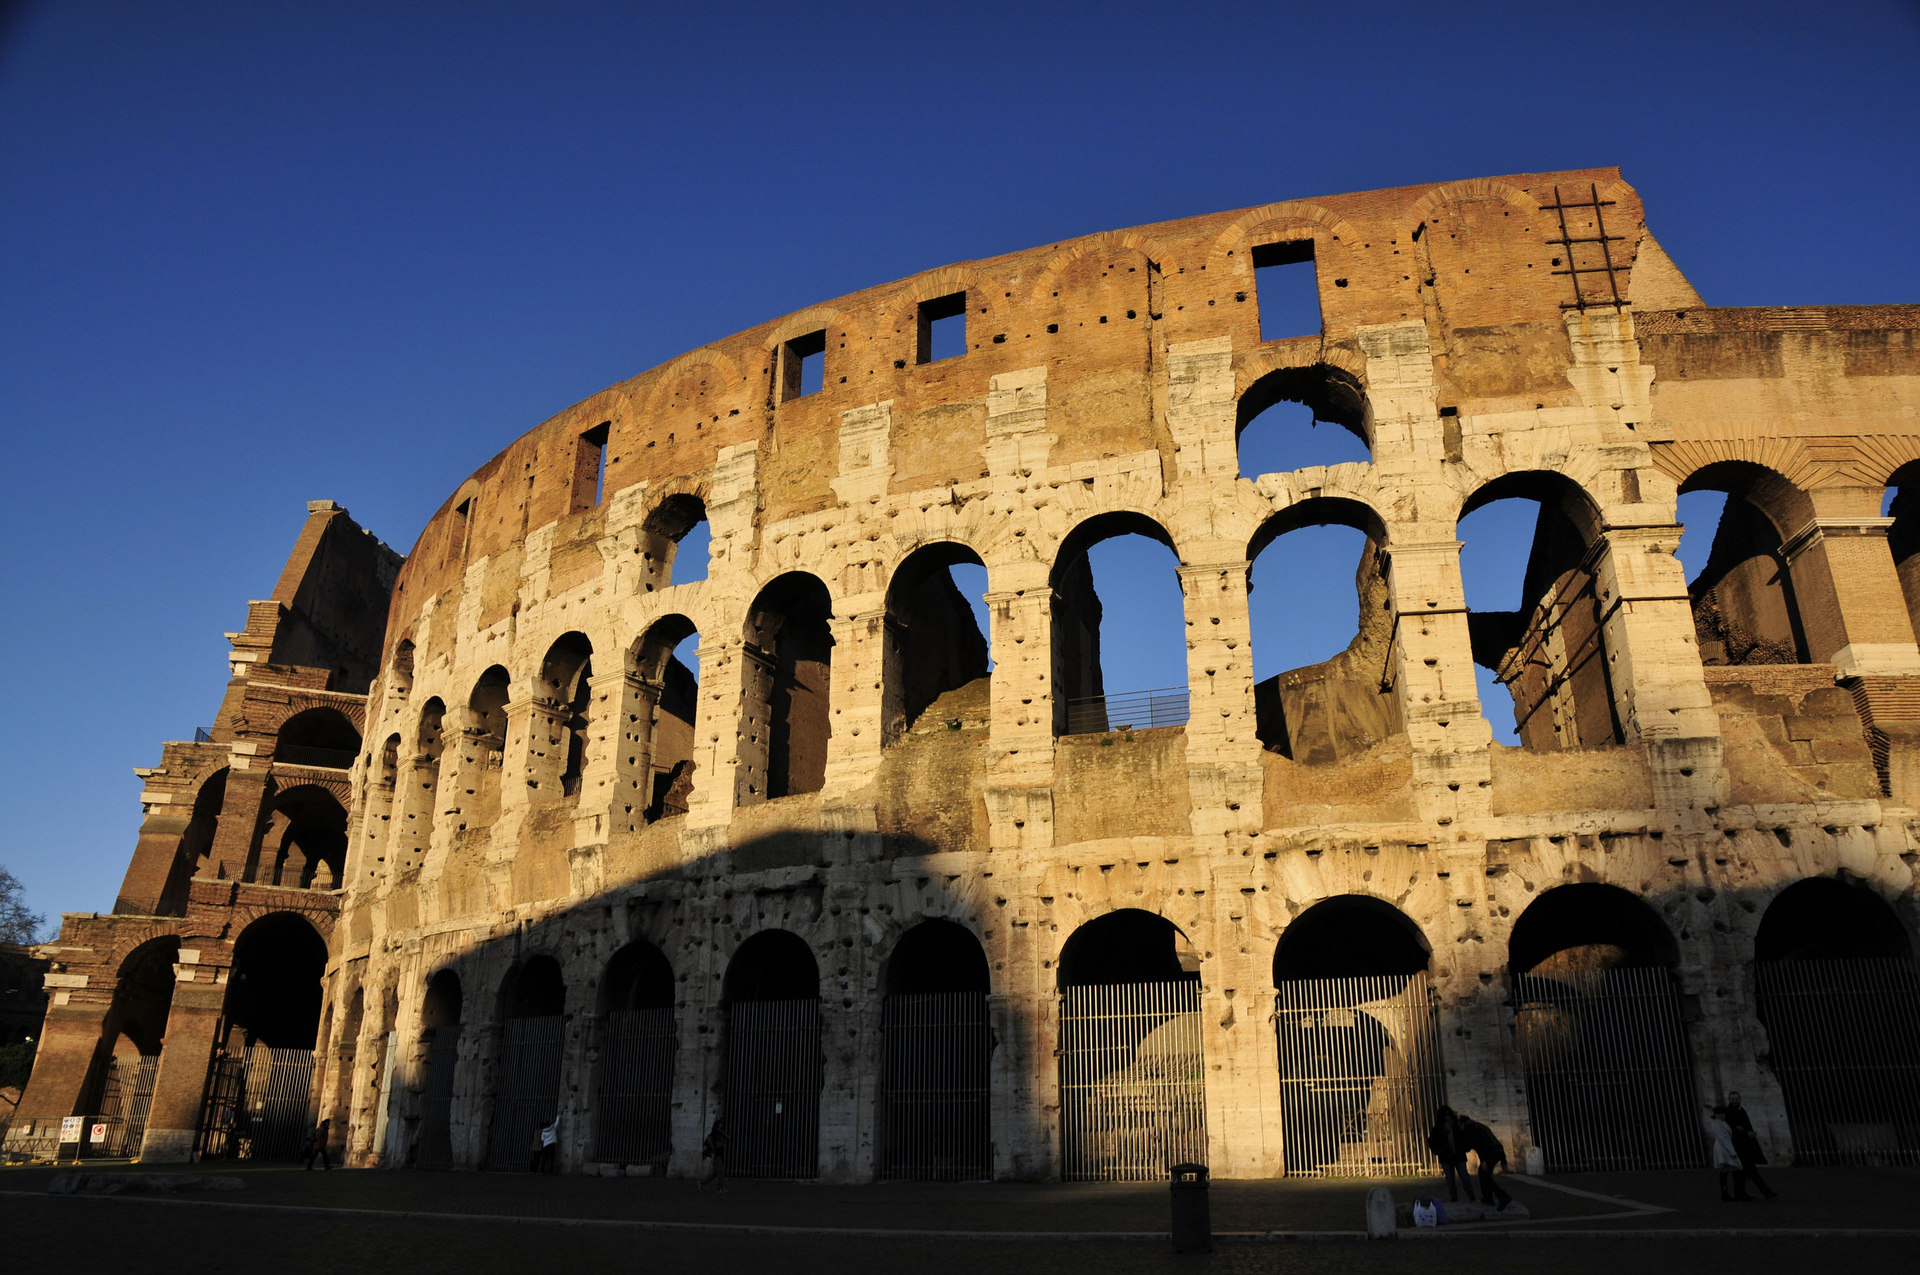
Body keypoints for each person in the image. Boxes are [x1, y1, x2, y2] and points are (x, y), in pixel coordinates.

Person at [1724, 1092, 1777, 1200]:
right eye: (1732, 1099)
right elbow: (1731, 1129)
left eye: (1736, 1099)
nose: (1734, 1101)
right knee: (1752, 1172)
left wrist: (1748, 1133)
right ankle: (1766, 1192)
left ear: (1739, 1099)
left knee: (1742, 1173)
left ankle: (1740, 1194)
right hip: (1739, 1147)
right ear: (1729, 1100)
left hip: (1745, 1145)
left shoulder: (1741, 1110)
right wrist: (1745, 1133)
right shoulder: (1728, 1112)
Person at [1455, 1114, 1512, 1211]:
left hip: (1490, 1153)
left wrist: (1485, 1160)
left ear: (1462, 1124)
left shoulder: (1471, 1130)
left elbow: (1481, 1145)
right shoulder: (1479, 1126)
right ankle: (1488, 1198)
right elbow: (1495, 1142)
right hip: (1497, 1151)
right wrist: (1503, 1160)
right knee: (1485, 1174)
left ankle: (1502, 1196)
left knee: (1484, 1175)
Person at [1427, 1106, 1475, 1204]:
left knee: (1464, 1176)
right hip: (1446, 1157)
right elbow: (1432, 1141)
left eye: (1449, 1115)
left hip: (1458, 1155)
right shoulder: (1438, 1128)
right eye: (1445, 1116)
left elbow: (1464, 1138)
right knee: (1450, 1178)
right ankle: (1454, 1197)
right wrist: (1438, 1151)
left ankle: (1471, 1195)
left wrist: (1465, 1147)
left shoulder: (1457, 1126)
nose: (1447, 1118)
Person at [1709, 1106, 1751, 1201]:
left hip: (1726, 1147)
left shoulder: (1722, 1122)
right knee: (1733, 1171)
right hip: (1724, 1149)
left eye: (1723, 1113)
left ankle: (1731, 1193)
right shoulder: (1716, 1124)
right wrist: (1732, 1152)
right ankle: (1732, 1194)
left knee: (1729, 1171)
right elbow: (1723, 1139)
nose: (1722, 1115)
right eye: (1720, 1114)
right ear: (1716, 1114)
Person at [699, 1115, 728, 1193]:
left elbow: (728, 1138)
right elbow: (712, 1145)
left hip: (720, 1154)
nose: (722, 1125)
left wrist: (722, 1132)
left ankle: (702, 1182)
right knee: (720, 1172)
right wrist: (713, 1152)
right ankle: (720, 1188)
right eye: (720, 1124)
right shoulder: (712, 1136)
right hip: (716, 1154)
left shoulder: (721, 1134)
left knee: (715, 1173)